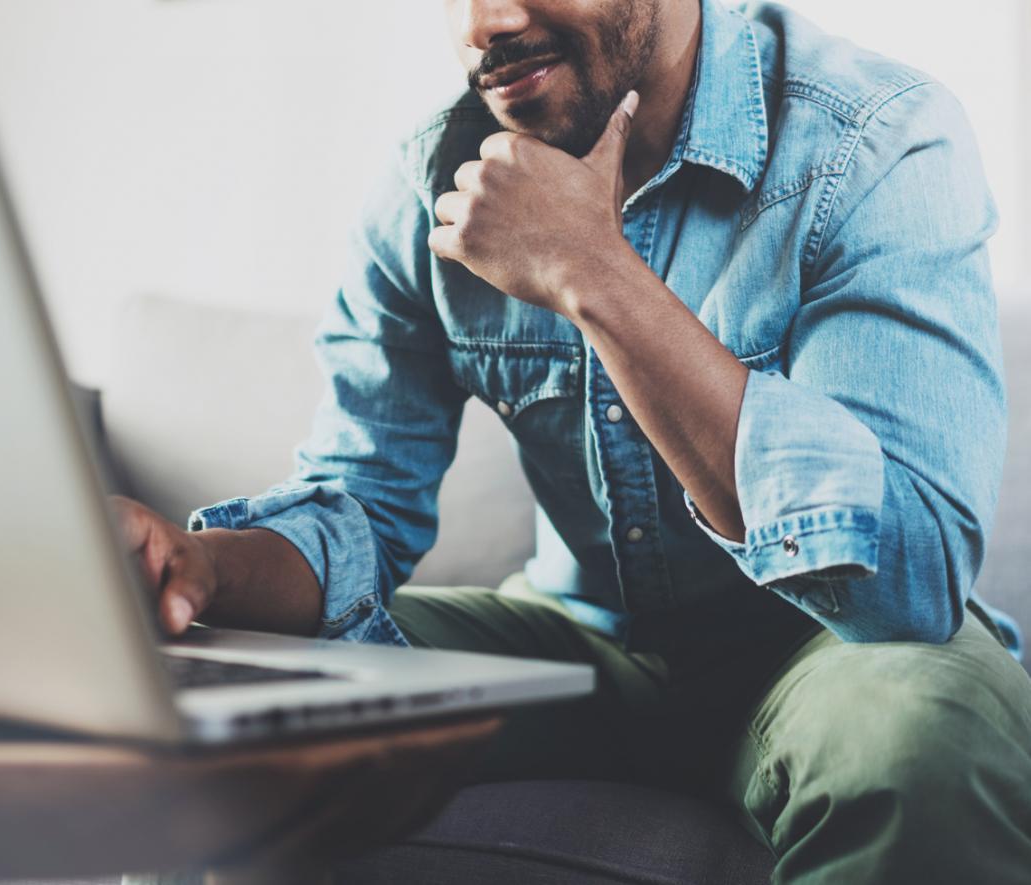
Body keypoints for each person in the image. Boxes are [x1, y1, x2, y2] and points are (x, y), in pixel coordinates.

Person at [116, 0, 1031, 881]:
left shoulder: (874, 141)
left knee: (924, 729)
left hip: (821, 645)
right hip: (578, 635)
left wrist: (593, 269)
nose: (486, 21)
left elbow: (912, 577)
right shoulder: (430, 183)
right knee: (222, 695)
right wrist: (202, 568)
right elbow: (361, 502)